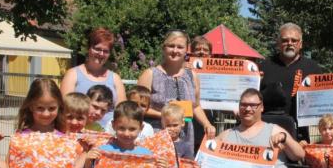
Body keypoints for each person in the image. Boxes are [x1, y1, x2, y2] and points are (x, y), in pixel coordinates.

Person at [137, 30, 216, 159]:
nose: (175, 50)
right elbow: (137, 107)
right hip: (157, 135)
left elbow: (195, 106)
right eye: (171, 46)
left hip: (186, 137)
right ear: (164, 48)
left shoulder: (192, 76)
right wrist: (169, 116)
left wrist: (207, 124)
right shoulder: (150, 74)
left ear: (186, 50)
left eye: (180, 47)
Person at [258, 22, 324, 143]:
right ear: (278, 43)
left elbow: (322, 101)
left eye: (294, 40)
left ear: (301, 44)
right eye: (285, 40)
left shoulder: (313, 69)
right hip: (266, 133)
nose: (290, 43)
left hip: (299, 136)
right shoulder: (263, 67)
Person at [60, 27, 127, 128]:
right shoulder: (73, 74)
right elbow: (64, 108)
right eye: (97, 49)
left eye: (106, 51)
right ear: (89, 48)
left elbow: (122, 112)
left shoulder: (115, 78)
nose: (101, 54)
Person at [188, 35, 216, 152]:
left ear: (210, 55)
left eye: (205, 50)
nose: (201, 52)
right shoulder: (183, 69)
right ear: (191, 53)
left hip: (208, 117)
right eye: (198, 49)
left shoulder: (218, 72)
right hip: (188, 117)